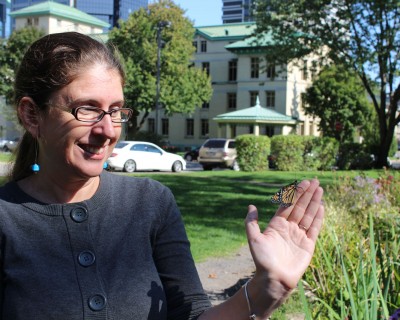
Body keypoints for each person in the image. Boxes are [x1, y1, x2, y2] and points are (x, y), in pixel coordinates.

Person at [0, 32, 324, 319]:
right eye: (87, 109)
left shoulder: (150, 203)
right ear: (32, 115)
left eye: (116, 110)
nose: (108, 130)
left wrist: (267, 288)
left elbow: (191, 314)